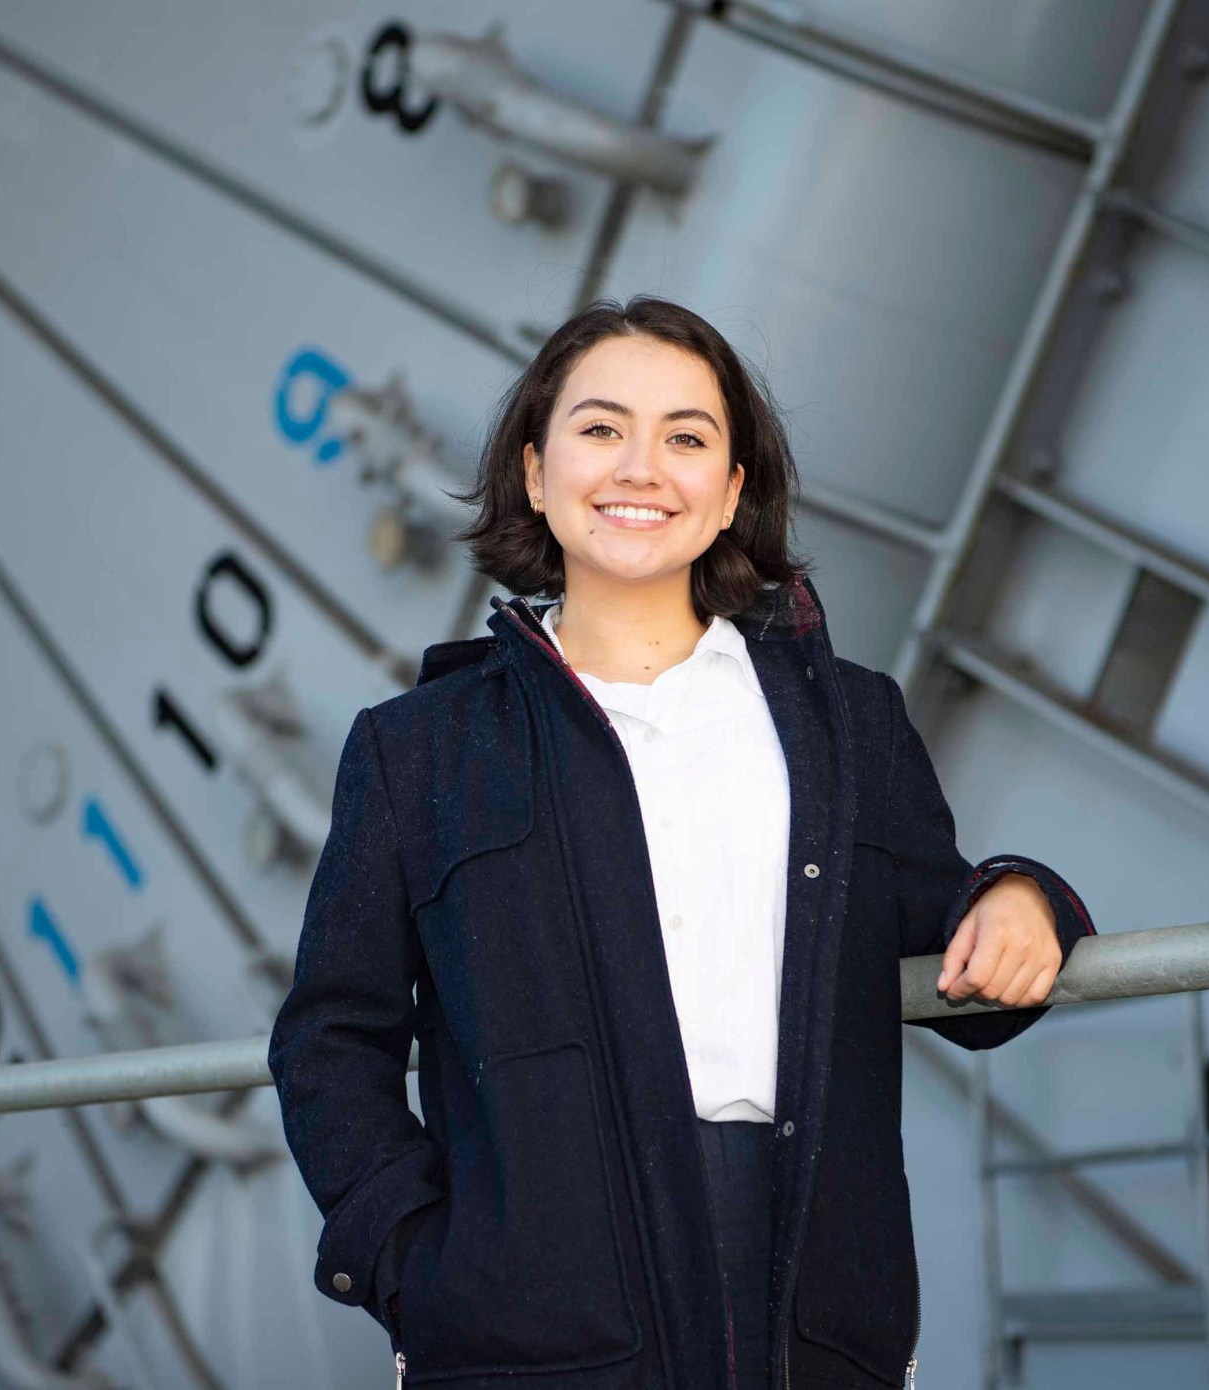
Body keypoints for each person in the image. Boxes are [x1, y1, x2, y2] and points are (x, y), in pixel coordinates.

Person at [268, 295, 1094, 1389]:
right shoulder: (417, 751)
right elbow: (329, 1039)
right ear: (532, 472)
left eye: (687, 438)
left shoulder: (847, 722)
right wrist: (413, 1263)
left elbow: (948, 915)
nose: (640, 468)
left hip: (808, 1303)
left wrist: (1021, 896)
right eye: (601, 429)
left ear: (730, 493)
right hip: (531, 1314)